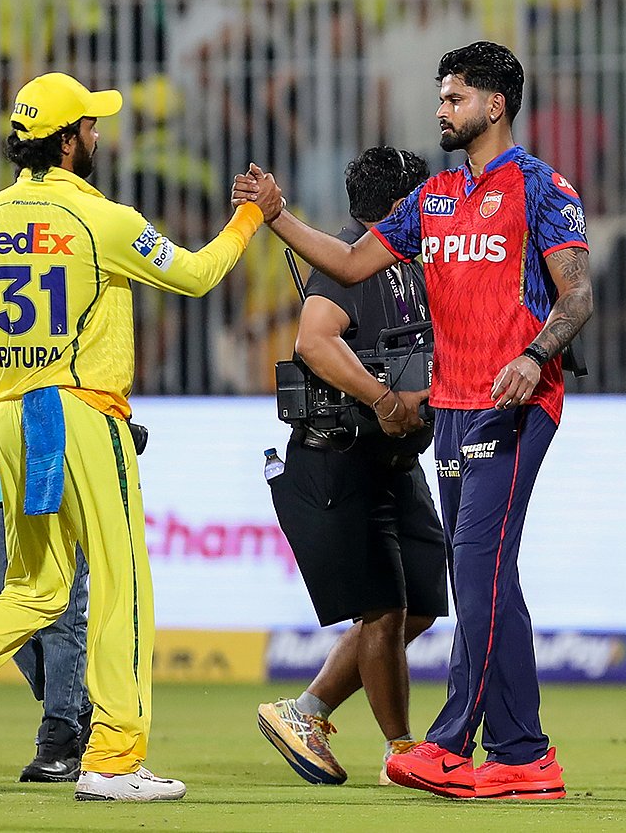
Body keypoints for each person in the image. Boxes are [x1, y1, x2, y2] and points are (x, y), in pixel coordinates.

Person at [0, 71, 281, 802]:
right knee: (121, 585)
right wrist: (252, 219)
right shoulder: (99, 219)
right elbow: (199, 276)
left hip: (12, 415)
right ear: (70, 143)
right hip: (83, 412)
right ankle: (112, 758)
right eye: (92, 127)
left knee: (35, 587)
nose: (99, 135)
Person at [236, 41, 593, 801]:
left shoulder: (539, 187)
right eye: (440, 98)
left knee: (475, 569)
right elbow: (352, 260)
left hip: (515, 402)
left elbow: (578, 296)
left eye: (454, 98)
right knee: (489, 577)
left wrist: (533, 357)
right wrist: (277, 218)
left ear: (494, 105)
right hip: (455, 411)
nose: (441, 110)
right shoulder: (431, 202)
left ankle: (451, 743)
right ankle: (526, 754)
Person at [257, 146, 448, 787]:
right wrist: (385, 398)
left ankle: (303, 710)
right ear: (400, 207)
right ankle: (402, 748)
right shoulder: (348, 260)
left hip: (393, 459)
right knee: (385, 611)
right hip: (341, 456)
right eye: (425, 199)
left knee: (420, 600)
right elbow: (312, 340)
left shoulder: (407, 261)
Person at [0, 335, 92, 783]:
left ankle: (61, 735)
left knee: (63, 613)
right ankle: (77, 705)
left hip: (63, 454)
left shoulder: (74, 263)